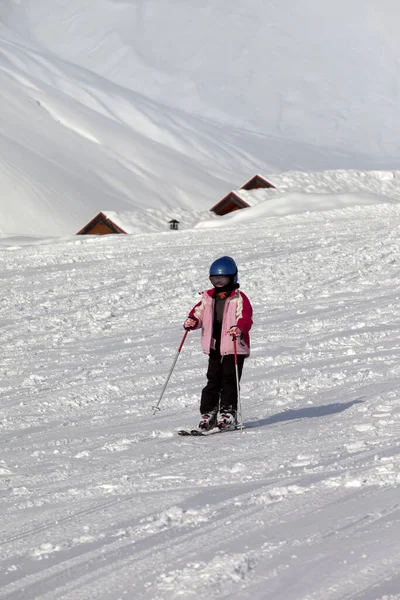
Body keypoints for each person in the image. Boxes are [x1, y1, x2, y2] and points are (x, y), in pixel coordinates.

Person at [183, 256, 253, 431]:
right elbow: (198, 313)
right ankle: (208, 413)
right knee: (213, 380)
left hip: (233, 345)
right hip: (214, 345)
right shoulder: (208, 297)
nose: (219, 283)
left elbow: (245, 318)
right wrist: (192, 321)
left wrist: (239, 328)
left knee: (229, 379)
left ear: (233, 278)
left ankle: (228, 413)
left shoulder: (239, 298)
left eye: (223, 279)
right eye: (215, 280)